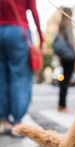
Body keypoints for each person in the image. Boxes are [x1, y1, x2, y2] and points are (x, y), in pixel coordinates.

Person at [0, 0, 44, 134]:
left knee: (1, 77)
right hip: (18, 32)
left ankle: (2, 120)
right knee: (20, 77)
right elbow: (34, 13)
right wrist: (41, 38)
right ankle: (18, 121)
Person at [55, 8, 75, 113]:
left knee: (63, 82)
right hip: (70, 56)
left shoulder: (61, 26)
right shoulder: (68, 24)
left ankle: (61, 105)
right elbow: (71, 42)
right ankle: (63, 106)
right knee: (66, 82)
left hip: (63, 57)